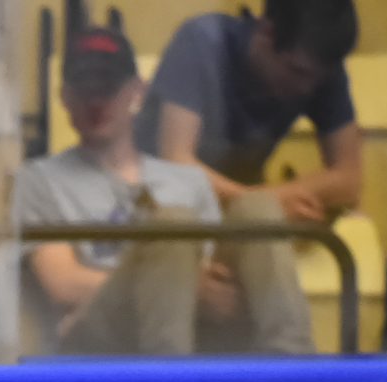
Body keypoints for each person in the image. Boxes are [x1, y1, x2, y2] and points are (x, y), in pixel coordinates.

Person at [16, 27, 227, 355]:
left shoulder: (190, 182)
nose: (96, 102)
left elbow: (220, 294)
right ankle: (171, 377)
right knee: (173, 225)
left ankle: (293, 367)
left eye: (108, 88)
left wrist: (182, 285)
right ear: (65, 97)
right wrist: (177, 284)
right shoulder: (37, 180)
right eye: (85, 90)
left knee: (260, 210)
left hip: (192, 332)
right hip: (94, 343)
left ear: (137, 90)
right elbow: (63, 284)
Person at [135, 0, 363, 226]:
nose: (306, 88)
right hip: (152, 207)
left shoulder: (317, 65)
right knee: (180, 221)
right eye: (297, 72)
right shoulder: (201, 41)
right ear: (267, 31)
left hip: (236, 211)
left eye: (317, 78)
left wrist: (277, 199)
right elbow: (176, 164)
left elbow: (349, 179)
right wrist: (266, 202)